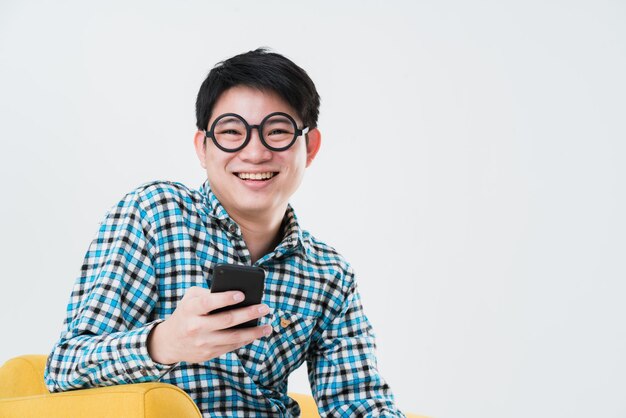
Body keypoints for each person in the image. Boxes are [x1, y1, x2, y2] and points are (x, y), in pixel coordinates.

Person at [45, 48, 405, 417]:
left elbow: (357, 402)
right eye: (232, 132)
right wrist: (163, 343)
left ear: (309, 147)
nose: (255, 153)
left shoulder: (329, 274)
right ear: (203, 147)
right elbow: (65, 368)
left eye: (277, 132)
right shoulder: (154, 214)